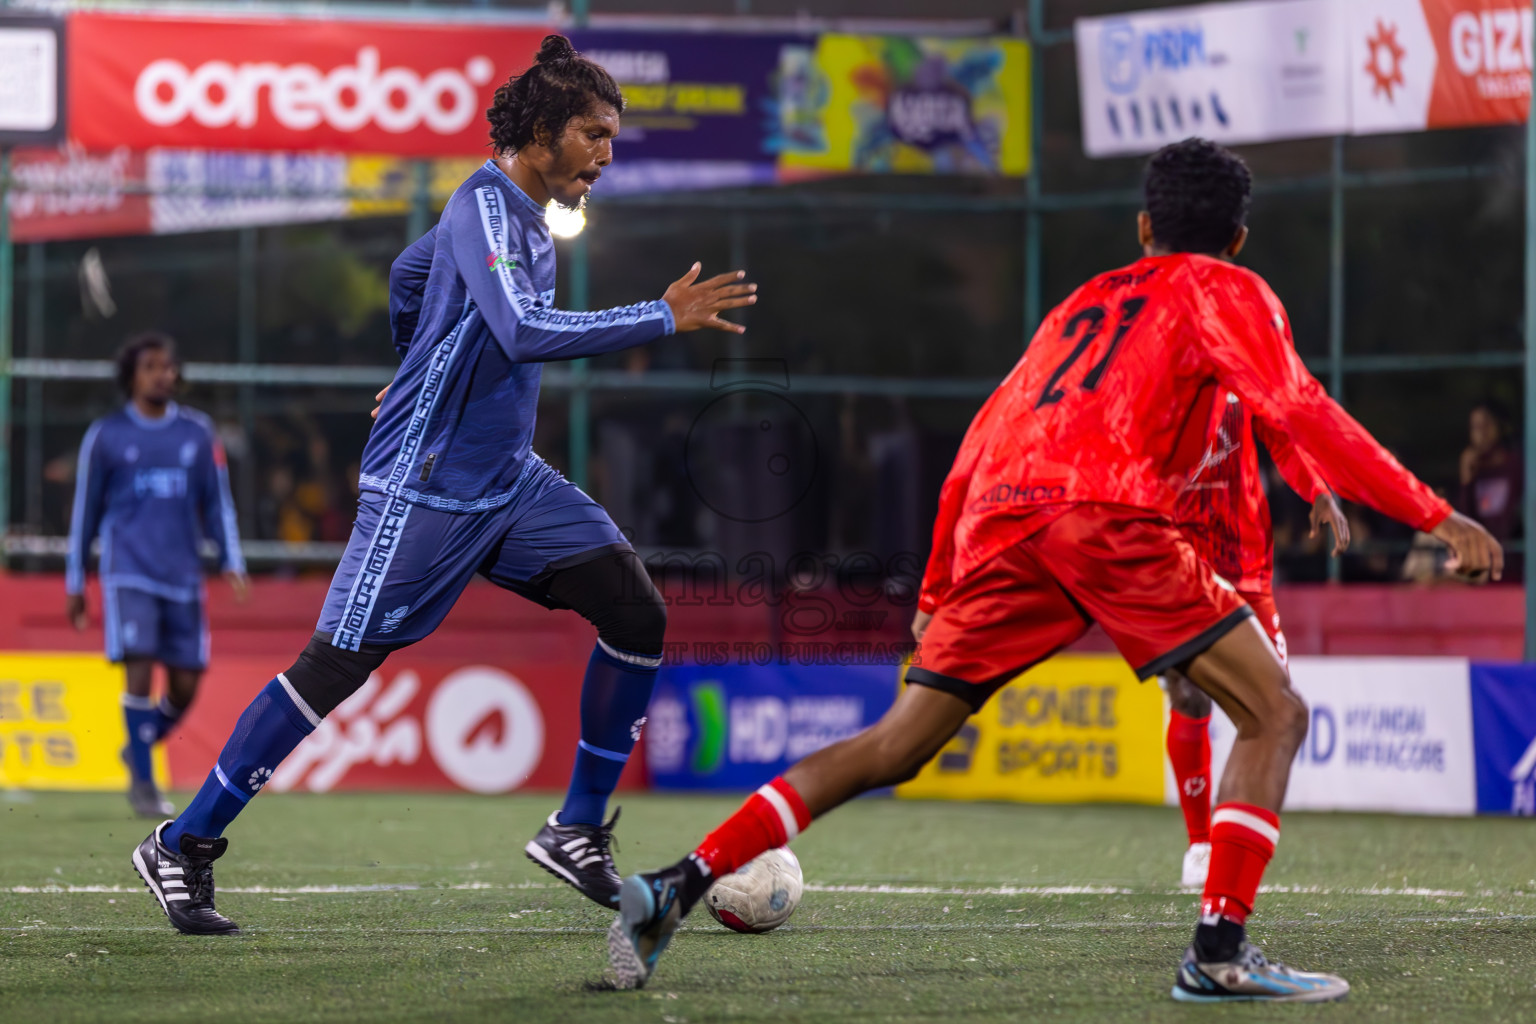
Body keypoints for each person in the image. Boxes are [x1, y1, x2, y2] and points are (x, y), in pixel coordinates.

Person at [607, 138, 1501, 1001]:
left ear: (1142, 229)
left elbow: (982, 436)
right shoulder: (1225, 287)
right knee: (1275, 712)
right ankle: (1219, 951)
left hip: (1004, 520)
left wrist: (934, 592)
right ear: (1236, 239)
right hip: (1105, 514)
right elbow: (1299, 407)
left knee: (897, 744)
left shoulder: (1082, 302)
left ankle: (675, 886)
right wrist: (1436, 513)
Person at [130, 35, 757, 936]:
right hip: (423, 487)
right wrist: (661, 313)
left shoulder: (521, 215)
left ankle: (577, 828)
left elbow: (408, 275)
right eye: (594, 134)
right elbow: (520, 328)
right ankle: (183, 843)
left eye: (613, 137)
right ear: (542, 131)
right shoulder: (486, 205)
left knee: (636, 612)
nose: (607, 155)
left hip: (507, 484)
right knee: (335, 665)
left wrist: (415, 356)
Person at [67, 332, 248, 818]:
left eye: (168, 367)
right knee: (140, 664)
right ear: (132, 375)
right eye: (152, 367)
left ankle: (140, 744)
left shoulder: (197, 432)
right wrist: (75, 581)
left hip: (183, 573)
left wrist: (231, 557)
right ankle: (144, 783)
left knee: (187, 683)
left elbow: (217, 501)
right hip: (128, 571)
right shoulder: (107, 436)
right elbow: (85, 513)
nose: (163, 375)